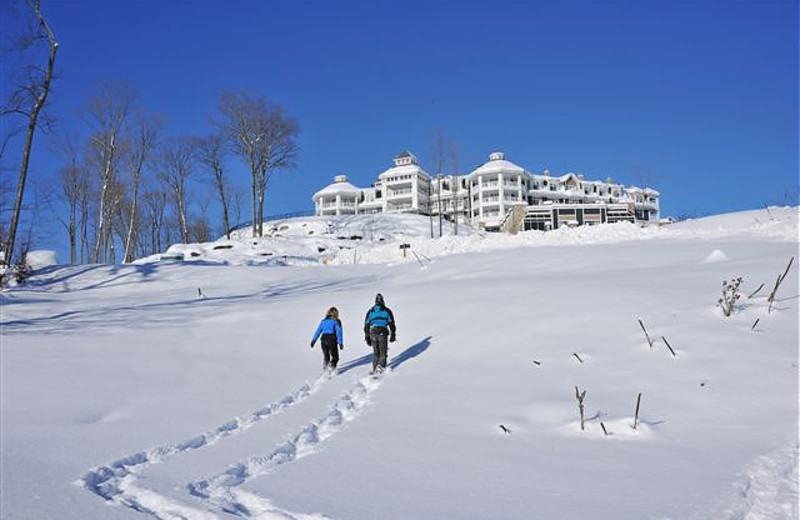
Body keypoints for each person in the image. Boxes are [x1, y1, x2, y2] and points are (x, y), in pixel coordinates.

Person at [363, 293, 396, 374]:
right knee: (383, 354)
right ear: (383, 301)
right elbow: (392, 323)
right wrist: (393, 335)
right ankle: (380, 369)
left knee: (376, 353)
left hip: (373, 332)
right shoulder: (387, 310)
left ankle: (375, 370)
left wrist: (367, 337)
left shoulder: (371, 311)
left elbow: (366, 325)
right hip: (382, 332)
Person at [310, 307, 344, 371]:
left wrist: (313, 340)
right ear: (336, 313)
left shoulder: (323, 321)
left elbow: (318, 331)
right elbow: (339, 332)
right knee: (335, 357)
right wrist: (340, 343)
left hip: (323, 340)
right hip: (332, 340)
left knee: (326, 356)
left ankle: (325, 369)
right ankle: (331, 368)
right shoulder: (336, 321)